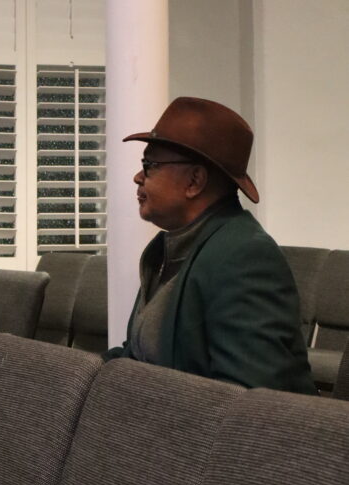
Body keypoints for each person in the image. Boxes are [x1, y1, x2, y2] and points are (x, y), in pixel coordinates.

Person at [105, 96, 316, 394]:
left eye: (150, 165)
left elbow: (248, 400)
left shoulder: (245, 257)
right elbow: (137, 355)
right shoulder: (169, 248)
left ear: (195, 181)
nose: (138, 177)